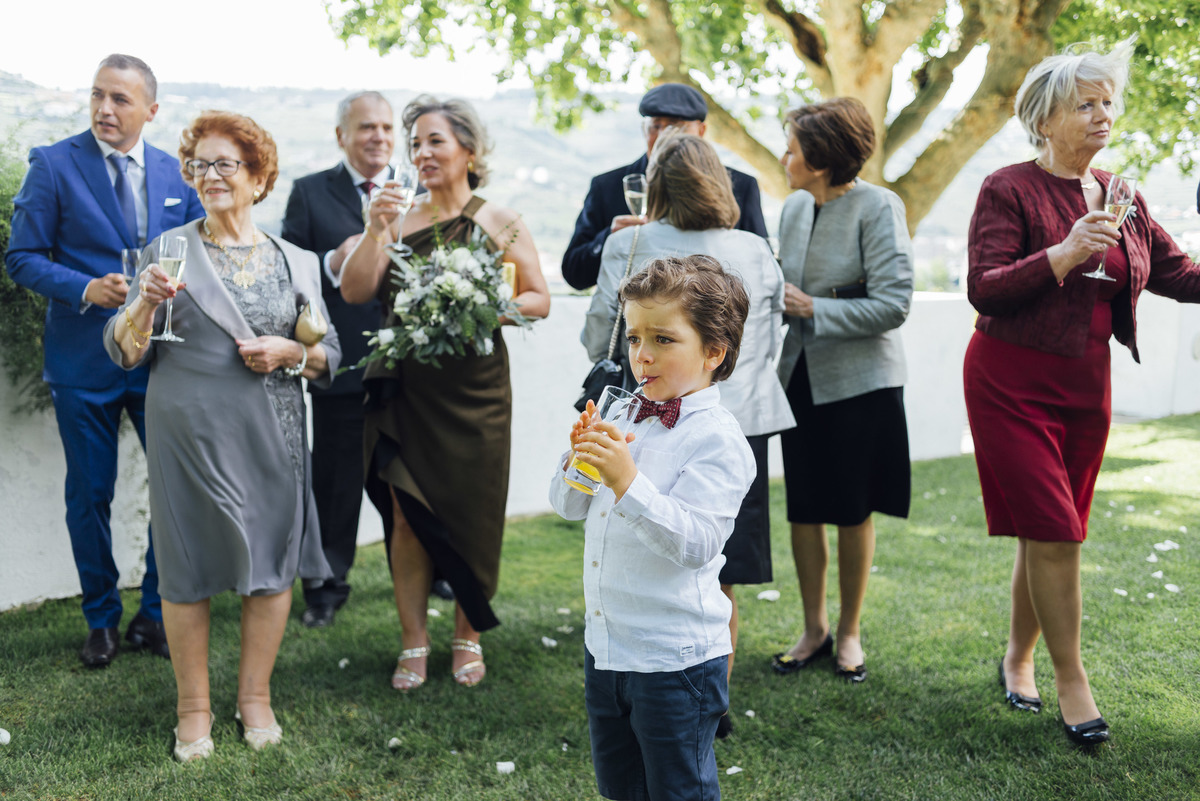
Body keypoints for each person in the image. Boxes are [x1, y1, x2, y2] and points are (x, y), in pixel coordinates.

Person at [964, 39, 1200, 747]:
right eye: (1085, 104)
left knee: (1049, 531)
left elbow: (1178, 273)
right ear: (1045, 119)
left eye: (1107, 103)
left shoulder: (1124, 194)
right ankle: (1073, 680)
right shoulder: (1008, 187)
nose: (1103, 115)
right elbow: (985, 287)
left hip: (1084, 386)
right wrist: (1063, 254)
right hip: (1009, 380)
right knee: (1057, 531)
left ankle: (1018, 657)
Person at [103, 111, 341, 762]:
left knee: (269, 568)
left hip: (274, 433)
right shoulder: (166, 250)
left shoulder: (299, 260)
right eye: (198, 165)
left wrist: (291, 349)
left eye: (224, 164)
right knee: (187, 568)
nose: (209, 176)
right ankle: (193, 707)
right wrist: (145, 304)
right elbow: (124, 352)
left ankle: (255, 696)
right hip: (188, 434)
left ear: (258, 177)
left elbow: (329, 355)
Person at [582, 133, 794, 739]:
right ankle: (710, 692)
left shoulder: (629, 243)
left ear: (654, 188)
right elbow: (772, 326)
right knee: (722, 566)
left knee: (691, 544)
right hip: (742, 410)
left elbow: (599, 325)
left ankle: (683, 693)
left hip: (647, 404)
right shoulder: (755, 246)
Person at [341, 95, 550, 690]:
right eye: (416, 145)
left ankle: (467, 636)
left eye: (435, 141)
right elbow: (357, 292)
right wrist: (374, 228)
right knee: (406, 518)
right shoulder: (398, 221)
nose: (422, 153)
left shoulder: (499, 219)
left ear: (469, 150)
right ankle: (413, 641)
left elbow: (538, 296)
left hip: (477, 393)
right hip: (406, 390)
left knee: (471, 518)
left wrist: (484, 306)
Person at [6, 54, 204, 668]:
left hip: (158, 360)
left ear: (150, 109)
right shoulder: (54, 163)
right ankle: (100, 618)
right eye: (97, 96)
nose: (104, 109)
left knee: (172, 489)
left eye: (120, 99)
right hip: (81, 360)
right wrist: (85, 288)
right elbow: (21, 256)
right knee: (89, 492)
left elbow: (198, 259)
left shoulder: (179, 175)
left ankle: (153, 612)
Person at [551, 255, 755, 801]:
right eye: (635, 337)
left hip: (676, 660)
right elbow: (569, 508)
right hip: (607, 649)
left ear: (715, 351)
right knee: (621, 787)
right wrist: (580, 463)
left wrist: (627, 482)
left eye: (664, 339)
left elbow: (695, 544)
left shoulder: (718, 440)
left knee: (678, 790)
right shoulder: (623, 414)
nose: (642, 355)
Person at [771, 98, 914, 684]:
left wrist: (815, 306)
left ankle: (850, 633)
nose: (785, 156)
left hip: (861, 385)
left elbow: (894, 304)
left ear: (822, 156)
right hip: (798, 377)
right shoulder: (793, 208)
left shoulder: (880, 207)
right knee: (803, 508)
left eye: (793, 146)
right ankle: (814, 629)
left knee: (853, 511)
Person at [281, 90, 402, 629]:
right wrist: (334, 261)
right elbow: (291, 276)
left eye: (385, 127)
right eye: (365, 128)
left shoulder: (412, 189)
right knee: (334, 482)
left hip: (408, 369)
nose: (378, 136)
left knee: (410, 478)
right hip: (342, 362)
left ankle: (430, 569)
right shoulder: (310, 193)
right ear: (341, 136)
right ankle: (327, 584)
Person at [561, 82, 768, 291]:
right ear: (644, 130)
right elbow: (574, 275)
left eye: (676, 127)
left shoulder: (740, 186)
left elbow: (760, 268)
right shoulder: (607, 186)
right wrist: (608, 237)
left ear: (701, 130)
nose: (663, 136)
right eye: (656, 126)